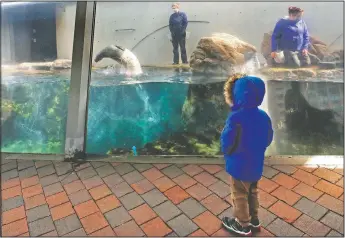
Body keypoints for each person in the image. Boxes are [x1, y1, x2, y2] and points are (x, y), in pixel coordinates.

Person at [220, 73, 274, 236]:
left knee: (239, 194)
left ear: (237, 95)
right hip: (255, 163)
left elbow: (227, 141)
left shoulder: (236, 117)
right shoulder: (264, 116)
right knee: (253, 191)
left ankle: (242, 224)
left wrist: (226, 152)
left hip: (239, 165)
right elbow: (268, 138)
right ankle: (254, 219)